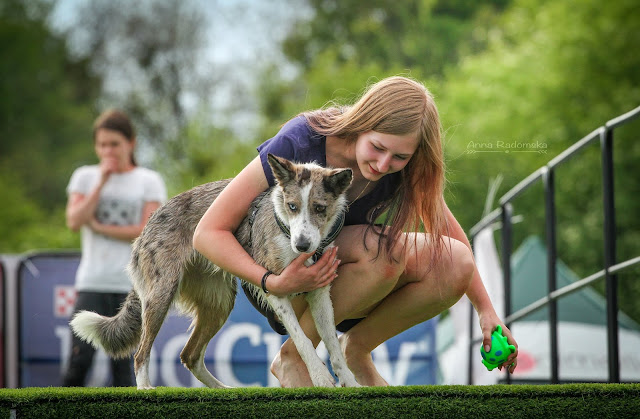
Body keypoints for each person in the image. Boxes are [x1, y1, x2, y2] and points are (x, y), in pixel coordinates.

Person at [193, 76, 519, 387]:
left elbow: (449, 237)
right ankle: (296, 356)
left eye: (400, 157)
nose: (383, 164)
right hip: (285, 282)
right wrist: (272, 282)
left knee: (456, 262)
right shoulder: (302, 138)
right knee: (385, 252)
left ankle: (357, 349)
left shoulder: (409, 166)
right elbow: (208, 232)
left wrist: (487, 312)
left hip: (353, 287)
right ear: (362, 122)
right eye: (377, 147)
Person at [63, 109, 167, 386]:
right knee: (78, 361)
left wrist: (99, 227)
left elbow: (147, 230)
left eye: (114, 144)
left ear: (131, 143)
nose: (108, 151)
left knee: (123, 369)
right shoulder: (85, 177)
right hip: (92, 281)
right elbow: (74, 220)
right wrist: (101, 182)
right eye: (102, 145)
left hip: (130, 284)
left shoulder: (148, 180)